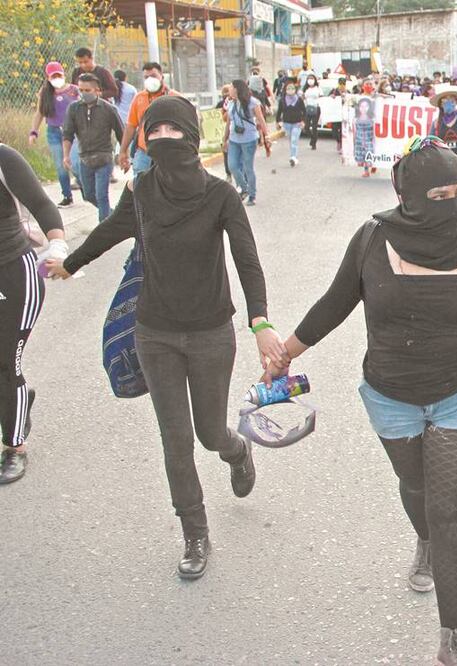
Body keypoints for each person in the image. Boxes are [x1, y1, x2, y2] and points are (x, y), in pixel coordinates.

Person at [262, 137, 457, 665]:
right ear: (411, 195)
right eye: (443, 193)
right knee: (415, 486)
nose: (456, 202)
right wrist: (286, 355)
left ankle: (451, 640)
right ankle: (426, 541)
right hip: (391, 393)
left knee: (449, 510)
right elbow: (335, 303)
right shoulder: (371, 239)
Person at [47, 96, 285, 578]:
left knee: (209, 432)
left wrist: (260, 322)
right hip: (154, 333)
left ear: (192, 139)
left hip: (211, 333)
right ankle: (195, 534)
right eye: (152, 134)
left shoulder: (221, 195)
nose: (161, 141)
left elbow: (247, 262)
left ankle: (237, 451)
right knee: (175, 441)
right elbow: (111, 231)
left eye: (171, 133)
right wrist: (69, 264)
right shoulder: (141, 190)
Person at [0, 145, 68, 484]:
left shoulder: (4, 159)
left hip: (12, 274)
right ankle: (18, 401)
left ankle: (15, 447)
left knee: (4, 364)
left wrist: (57, 245)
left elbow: (42, 205)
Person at [62, 73, 123, 222]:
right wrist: (66, 155)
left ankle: (104, 227)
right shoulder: (74, 109)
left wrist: (124, 154)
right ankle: (111, 215)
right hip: (84, 159)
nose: (83, 94)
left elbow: (121, 133)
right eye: (81, 90)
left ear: (97, 90)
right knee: (88, 194)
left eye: (87, 90)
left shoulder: (109, 109)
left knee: (101, 195)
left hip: (104, 157)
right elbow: (68, 134)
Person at [28, 62, 80, 207]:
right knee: (60, 165)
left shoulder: (74, 90)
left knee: (74, 162)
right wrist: (34, 131)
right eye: (53, 76)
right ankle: (67, 196)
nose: (57, 78)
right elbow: (39, 113)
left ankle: (83, 182)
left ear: (63, 74)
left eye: (59, 75)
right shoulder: (45, 93)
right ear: (48, 77)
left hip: (73, 132)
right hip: (54, 132)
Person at [119, 62, 179, 176]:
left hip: (169, 152)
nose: (150, 79)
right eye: (146, 77)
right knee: (141, 188)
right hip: (144, 153)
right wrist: (123, 151)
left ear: (162, 76)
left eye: (153, 76)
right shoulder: (139, 98)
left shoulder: (175, 97)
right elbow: (131, 126)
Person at [224, 79, 271, 206]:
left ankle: (252, 195)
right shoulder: (230, 103)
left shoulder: (252, 102)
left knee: (248, 168)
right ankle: (244, 188)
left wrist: (266, 136)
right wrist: (225, 139)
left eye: (231, 87)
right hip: (234, 139)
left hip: (249, 139)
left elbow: (261, 120)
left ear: (237, 89)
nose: (229, 90)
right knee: (232, 165)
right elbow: (228, 122)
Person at [276, 78, 305, 168]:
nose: (290, 90)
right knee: (290, 140)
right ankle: (294, 155)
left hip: (297, 123)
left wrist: (303, 121)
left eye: (292, 88)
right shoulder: (282, 100)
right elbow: (279, 112)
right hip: (287, 123)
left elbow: (304, 111)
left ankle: (293, 157)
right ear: (285, 90)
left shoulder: (299, 100)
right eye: (288, 89)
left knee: (294, 140)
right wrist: (278, 122)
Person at [353, 95, 377, 177]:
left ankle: (370, 168)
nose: (363, 108)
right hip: (359, 141)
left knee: (368, 155)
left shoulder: (373, 118)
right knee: (362, 157)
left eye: (366, 106)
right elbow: (354, 131)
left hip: (369, 140)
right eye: (361, 106)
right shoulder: (356, 118)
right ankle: (366, 170)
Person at [215, 85, 234, 183]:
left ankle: (230, 174)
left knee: (227, 154)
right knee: (227, 153)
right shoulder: (222, 104)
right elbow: (216, 120)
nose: (226, 94)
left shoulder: (234, 103)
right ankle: (230, 174)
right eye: (225, 92)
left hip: (232, 134)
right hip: (225, 133)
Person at [328, 78, 348, 153]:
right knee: (334, 130)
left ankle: (341, 145)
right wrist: (331, 96)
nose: (342, 85)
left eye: (343, 84)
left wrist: (345, 96)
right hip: (335, 114)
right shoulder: (334, 91)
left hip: (344, 114)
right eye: (340, 83)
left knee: (342, 130)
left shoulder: (348, 92)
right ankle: (338, 141)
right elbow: (327, 99)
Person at [302, 75, 322, 150]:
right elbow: (302, 97)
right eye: (309, 79)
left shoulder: (318, 88)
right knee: (306, 127)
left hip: (316, 108)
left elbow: (321, 97)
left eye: (312, 78)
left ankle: (314, 144)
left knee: (314, 127)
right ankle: (312, 138)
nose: (310, 80)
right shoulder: (305, 88)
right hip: (307, 108)